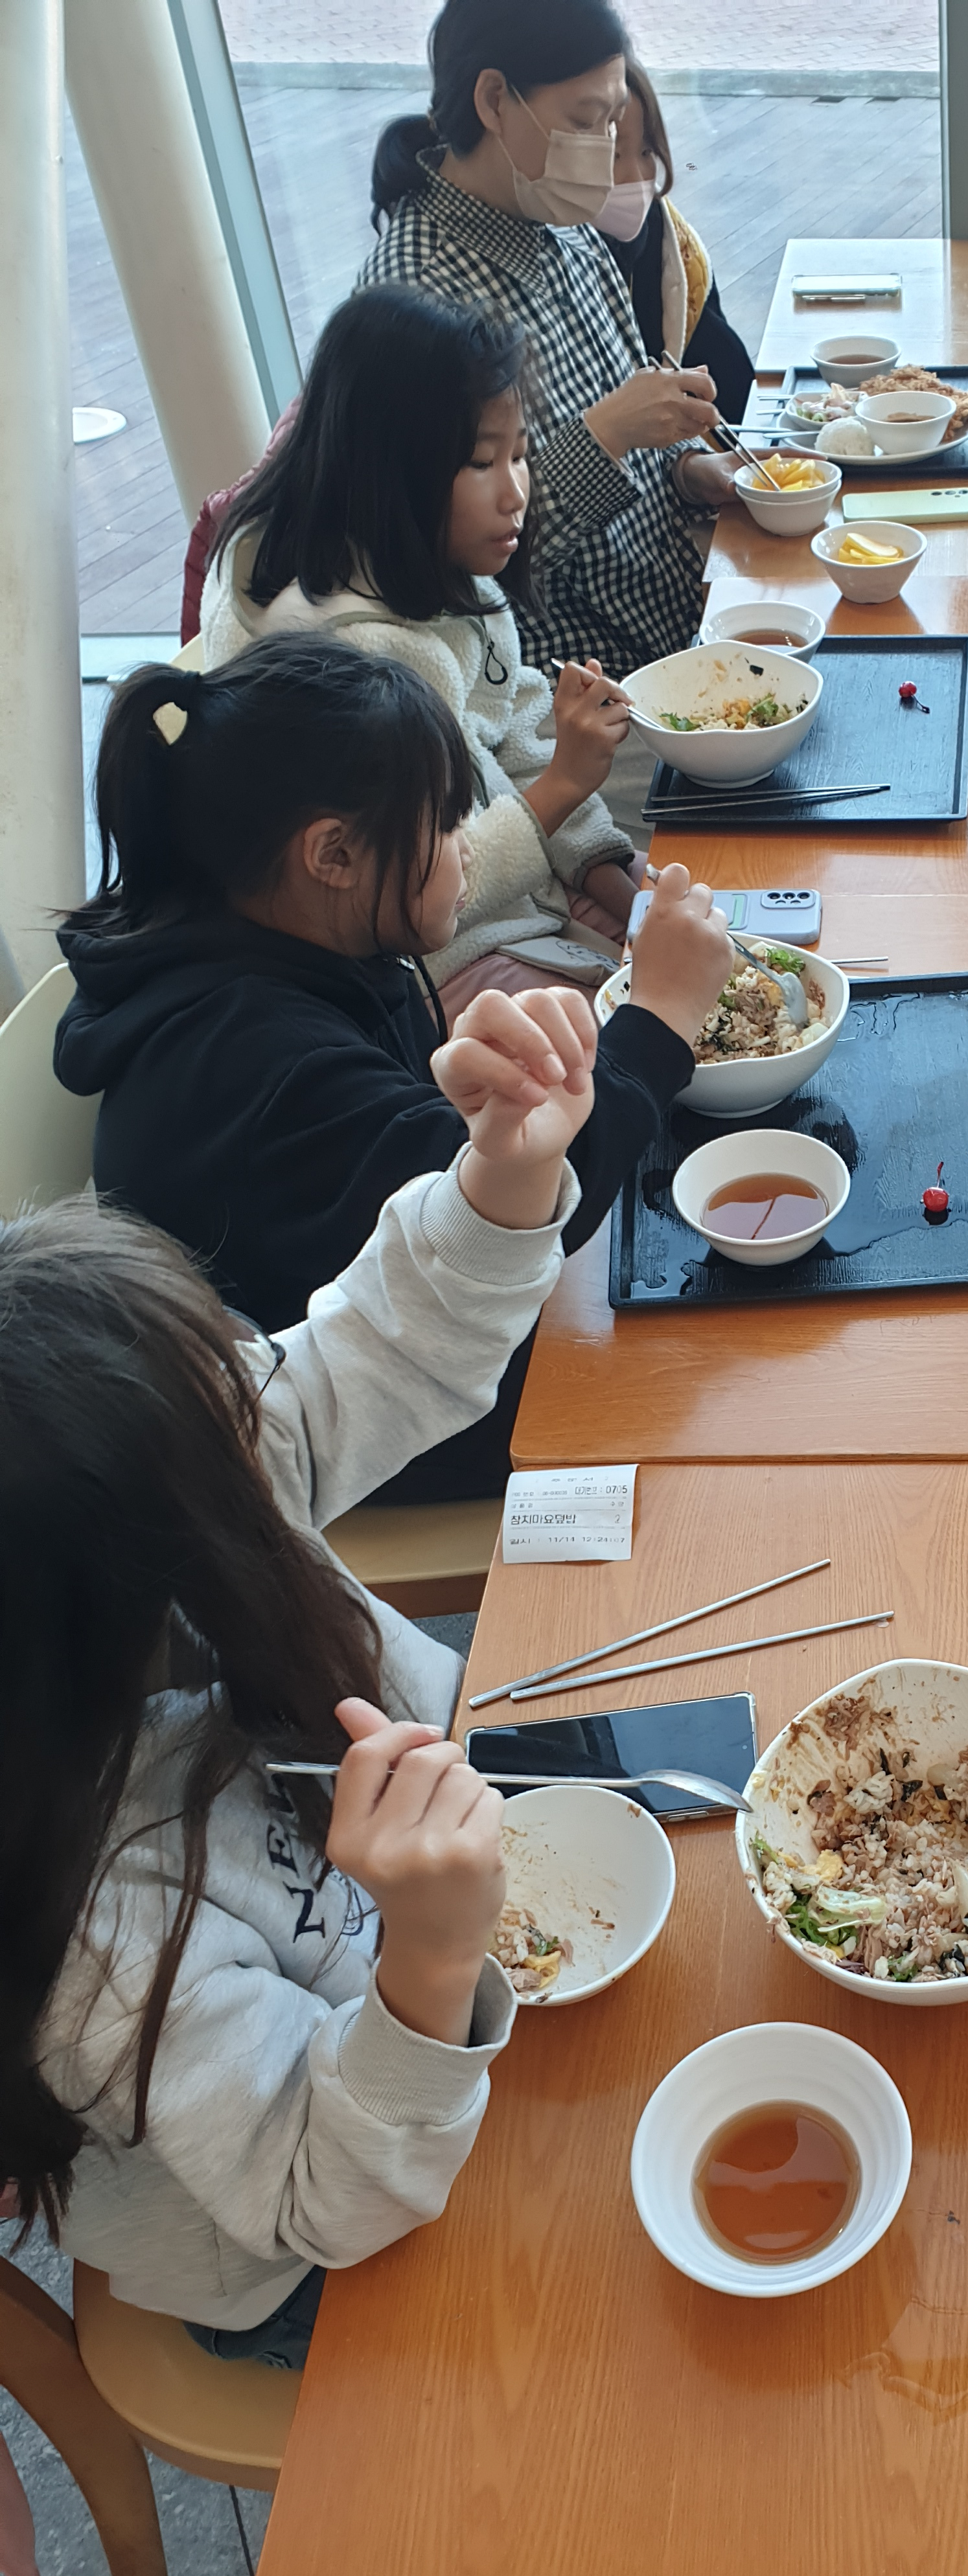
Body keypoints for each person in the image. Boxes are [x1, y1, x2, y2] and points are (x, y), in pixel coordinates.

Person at [2, 985, 600, 2367]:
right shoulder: (98, 1936)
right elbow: (323, 2191)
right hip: (303, 2241)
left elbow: (374, 1342)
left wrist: (504, 1172)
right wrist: (432, 1957)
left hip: (446, 1962)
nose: (261, 1409)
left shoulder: (177, 1469)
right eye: (229, 1410)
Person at [52, 633, 733, 1496]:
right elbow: (497, 1230)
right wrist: (662, 1016)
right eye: (446, 824)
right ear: (332, 855)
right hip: (359, 1438)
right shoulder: (263, 1071)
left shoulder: (282, 948)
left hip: (409, 1340)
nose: (467, 848)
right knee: (728, 1375)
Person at [203, 283, 642, 1019]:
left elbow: (517, 729)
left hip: (527, 900)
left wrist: (625, 893)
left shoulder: (437, 567)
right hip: (440, 962)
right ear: (387, 466)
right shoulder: (356, 663)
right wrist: (566, 782)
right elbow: (428, 895)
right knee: (663, 1032)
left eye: (521, 454)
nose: (516, 493)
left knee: (700, 934)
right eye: (481, 462)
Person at [365, 0, 741, 679]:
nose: (604, 148)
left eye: (613, 120)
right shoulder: (416, 296)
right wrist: (606, 434)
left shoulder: (563, 227)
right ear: (494, 100)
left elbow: (641, 434)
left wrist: (691, 471)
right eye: (585, 121)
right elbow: (452, 568)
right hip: (567, 693)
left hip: (676, 633)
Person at [597, 56, 755, 429]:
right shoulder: (561, 255)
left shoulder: (666, 244)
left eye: (646, 152)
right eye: (614, 155)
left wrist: (692, 458)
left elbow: (731, 384)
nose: (637, 176)